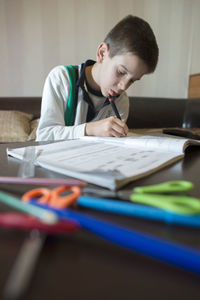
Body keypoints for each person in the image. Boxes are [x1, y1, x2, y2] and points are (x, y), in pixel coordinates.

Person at [36, 15, 159, 141]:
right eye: (121, 72)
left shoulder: (121, 101)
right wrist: (90, 129)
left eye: (132, 80)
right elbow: (44, 136)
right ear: (102, 53)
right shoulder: (61, 78)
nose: (124, 87)